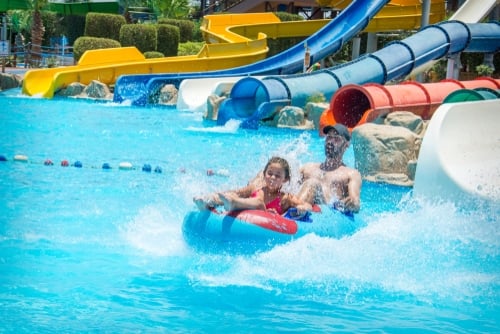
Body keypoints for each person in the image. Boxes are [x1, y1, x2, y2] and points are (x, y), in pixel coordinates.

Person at [193, 156, 312, 215]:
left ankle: (233, 203)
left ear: (285, 180)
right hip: (243, 210)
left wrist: (303, 208)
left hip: (266, 227)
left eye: (277, 176)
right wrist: (216, 197)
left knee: (259, 203)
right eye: (269, 173)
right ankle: (206, 202)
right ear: (264, 174)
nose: (272, 178)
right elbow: (235, 192)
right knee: (233, 194)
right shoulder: (256, 189)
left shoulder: (285, 198)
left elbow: (306, 205)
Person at [297, 124, 362, 214]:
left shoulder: (351, 174)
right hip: (303, 205)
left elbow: (355, 202)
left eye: (336, 139)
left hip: (327, 211)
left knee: (312, 183)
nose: (330, 142)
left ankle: (295, 211)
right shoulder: (307, 168)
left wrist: (350, 203)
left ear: (346, 145)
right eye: (329, 137)